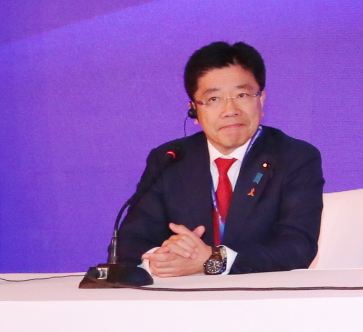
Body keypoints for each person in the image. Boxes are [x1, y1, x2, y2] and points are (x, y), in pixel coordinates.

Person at [116, 42, 324, 276]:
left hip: (259, 295)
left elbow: (297, 248)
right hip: (184, 296)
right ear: (194, 110)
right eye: (214, 99)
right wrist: (162, 259)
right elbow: (130, 242)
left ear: (261, 100)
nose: (230, 110)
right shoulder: (170, 159)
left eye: (242, 95)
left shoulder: (294, 157)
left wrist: (213, 259)